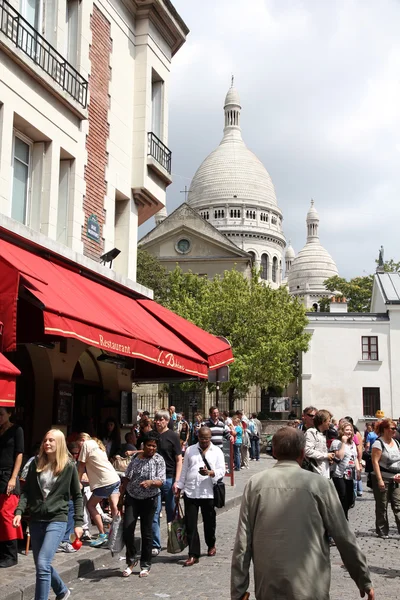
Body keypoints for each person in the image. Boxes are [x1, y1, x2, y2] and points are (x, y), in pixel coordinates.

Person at [231, 427, 374, 600]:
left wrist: (238, 591)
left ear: (274, 451)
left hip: (269, 584)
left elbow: (243, 542)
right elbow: (343, 535)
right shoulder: (320, 484)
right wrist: (362, 577)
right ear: (302, 453)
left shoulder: (255, 484)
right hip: (310, 584)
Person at [13, 429, 83, 600]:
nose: (47, 443)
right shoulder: (35, 464)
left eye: (51, 440)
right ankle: (62, 591)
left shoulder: (69, 466)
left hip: (57, 519)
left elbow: (77, 495)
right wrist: (19, 511)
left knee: (43, 563)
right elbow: (26, 491)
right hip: (37, 519)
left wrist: (78, 523)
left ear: (59, 443)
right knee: (40, 564)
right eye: (45, 440)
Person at [118, 431, 166, 578]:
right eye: (149, 445)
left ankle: (145, 564)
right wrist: (120, 498)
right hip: (132, 497)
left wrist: (151, 483)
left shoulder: (159, 460)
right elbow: (126, 478)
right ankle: (131, 560)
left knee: (147, 532)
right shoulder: (135, 458)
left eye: (154, 446)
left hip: (150, 499)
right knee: (128, 529)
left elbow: (161, 482)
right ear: (143, 445)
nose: (151, 448)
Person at [176, 426, 225, 566]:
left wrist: (210, 472)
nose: (204, 441)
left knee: (209, 523)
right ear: (198, 437)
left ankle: (211, 544)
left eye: (207, 438)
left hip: (208, 492)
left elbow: (222, 470)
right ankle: (193, 554)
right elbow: (184, 470)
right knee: (190, 524)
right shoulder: (191, 450)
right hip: (191, 491)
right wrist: (179, 487)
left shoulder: (217, 451)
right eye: (202, 438)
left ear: (210, 438)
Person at [77, 434, 120, 547]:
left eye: (79, 442)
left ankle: (102, 534)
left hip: (104, 482)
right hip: (114, 478)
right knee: (115, 508)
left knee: (91, 505)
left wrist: (77, 481)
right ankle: (116, 536)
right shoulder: (98, 446)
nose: (79, 445)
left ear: (82, 440)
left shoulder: (86, 444)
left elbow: (81, 465)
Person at [152, 410, 182, 556]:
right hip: (154, 479)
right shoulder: (153, 436)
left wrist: (177, 481)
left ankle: (173, 540)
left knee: (171, 511)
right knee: (154, 512)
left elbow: (178, 460)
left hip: (169, 478)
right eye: (157, 419)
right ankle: (155, 544)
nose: (158, 422)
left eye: (161, 419)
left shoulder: (173, 436)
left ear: (167, 420)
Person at [0, 407, 24, 568]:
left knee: (6, 514)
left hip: (8, 475)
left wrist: (13, 478)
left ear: (9, 414)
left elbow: (19, 453)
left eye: (1, 414)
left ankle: (11, 554)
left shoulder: (17, 430)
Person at [371, 418, 400, 538]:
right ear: (385, 429)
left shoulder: (396, 442)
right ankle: (382, 531)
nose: (395, 430)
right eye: (392, 428)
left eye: (395, 428)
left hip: (396, 478)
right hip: (383, 477)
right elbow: (375, 462)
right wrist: (379, 480)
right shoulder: (378, 443)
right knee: (382, 505)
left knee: (398, 505)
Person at [330, 421, 360, 519]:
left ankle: (342, 518)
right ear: (342, 431)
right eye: (347, 430)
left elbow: (354, 457)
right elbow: (339, 457)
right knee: (342, 497)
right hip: (339, 474)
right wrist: (343, 443)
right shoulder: (336, 442)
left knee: (350, 499)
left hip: (350, 474)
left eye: (351, 430)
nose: (349, 432)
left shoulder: (352, 443)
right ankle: (343, 520)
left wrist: (358, 469)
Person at [304, 410, 335, 477]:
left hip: (324, 472)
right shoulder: (311, 432)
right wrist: (326, 455)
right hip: (316, 473)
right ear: (323, 421)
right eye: (328, 421)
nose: (330, 423)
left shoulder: (323, 434)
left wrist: (328, 458)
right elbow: (308, 451)